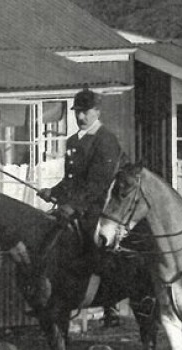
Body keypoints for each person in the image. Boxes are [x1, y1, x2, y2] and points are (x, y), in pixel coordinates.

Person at [35, 87, 124, 288]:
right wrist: (53, 192)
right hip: (74, 205)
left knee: (94, 244)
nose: (81, 116)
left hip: (99, 207)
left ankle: (107, 296)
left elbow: (98, 183)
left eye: (86, 111)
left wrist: (74, 206)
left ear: (97, 112)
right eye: (77, 112)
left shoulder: (106, 139)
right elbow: (71, 179)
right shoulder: (74, 141)